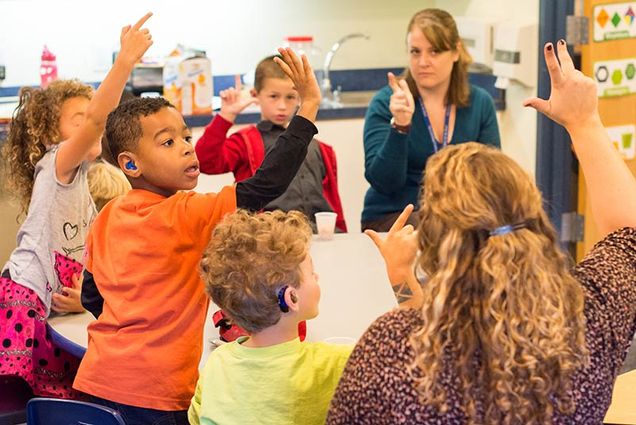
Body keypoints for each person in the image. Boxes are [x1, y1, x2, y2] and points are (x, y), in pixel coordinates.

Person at [327, 41, 636, 424]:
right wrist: (585, 121)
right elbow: (629, 233)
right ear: (534, 218)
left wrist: (402, 279)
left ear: (434, 244)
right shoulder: (586, 318)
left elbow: (421, 331)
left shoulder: (391, 347)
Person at [73, 47, 322, 425]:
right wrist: (308, 108)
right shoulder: (186, 213)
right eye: (168, 142)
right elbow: (265, 184)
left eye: (186, 137)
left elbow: (94, 294)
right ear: (130, 164)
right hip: (157, 394)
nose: (187, 147)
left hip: (95, 384)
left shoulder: (107, 216)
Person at [0, 12, 153, 400]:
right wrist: (124, 64)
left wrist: (78, 295)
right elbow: (101, 115)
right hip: (20, 302)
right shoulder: (56, 164)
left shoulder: (81, 185)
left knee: (73, 392)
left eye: (92, 116)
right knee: (39, 402)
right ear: (55, 135)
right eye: (80, 120)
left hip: (42, 305)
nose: (94, 125)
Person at [189, 210, 352, 425]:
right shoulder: (334, 364)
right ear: (290, 297)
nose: (317, 276)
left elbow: (196, 418)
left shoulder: (217, 364)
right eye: (311, 272)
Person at [361, 8, 500, 231]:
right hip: (396, 215)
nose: (423, 62)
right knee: (439, 232)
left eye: (434, 51)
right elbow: (384, 183)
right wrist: (400, 126)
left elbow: (490, 176)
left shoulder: (480, 103)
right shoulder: (387, 101)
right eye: (415, 52)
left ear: (455, 52)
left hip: (460, 216)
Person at [195, 56, 347, 232]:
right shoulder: (245, 141)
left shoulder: (321, 149)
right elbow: (206, 162)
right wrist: (225, 117)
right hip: (267, 238)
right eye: (273, 96)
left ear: (300, 98)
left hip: (320, 233)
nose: (282, 106)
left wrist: (341, 230)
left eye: (290, 97)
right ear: (255, 94)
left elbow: (333, 204)